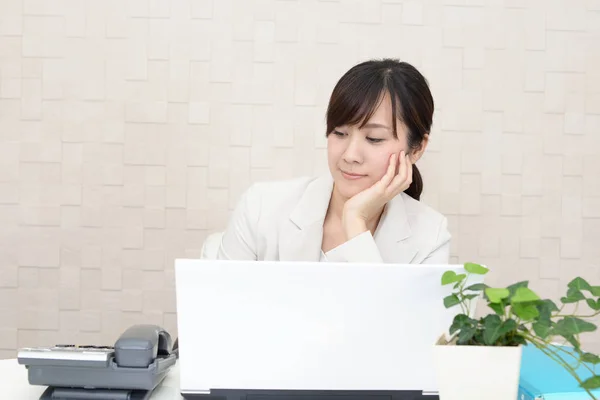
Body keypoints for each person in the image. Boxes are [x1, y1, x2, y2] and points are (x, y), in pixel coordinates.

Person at [216, 58, 451, 264]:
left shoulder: (430, 237)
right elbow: (218, 305)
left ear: (417, 148)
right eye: (339, 133)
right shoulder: (261, 207)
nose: (350, 155)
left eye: (374, 138)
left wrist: (355, 220)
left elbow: (384, 315)